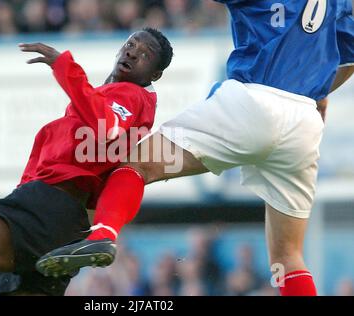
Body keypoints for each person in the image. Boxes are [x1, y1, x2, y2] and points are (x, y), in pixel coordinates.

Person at [37, 0, 354, 296]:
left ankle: (102, 235)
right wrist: (319, 90)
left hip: (254, 100)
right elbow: (348, 56)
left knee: (136, 164)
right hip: (304, 121)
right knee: (288, 257)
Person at [0, 27, 173, 296]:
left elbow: (107, 126)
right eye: (131, 44)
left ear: (155, 75)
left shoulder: (131, 95)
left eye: (145, 54)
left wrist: (64, 66)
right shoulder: (111, 96)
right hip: (60, 222)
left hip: (47, 212)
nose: (132, 51)